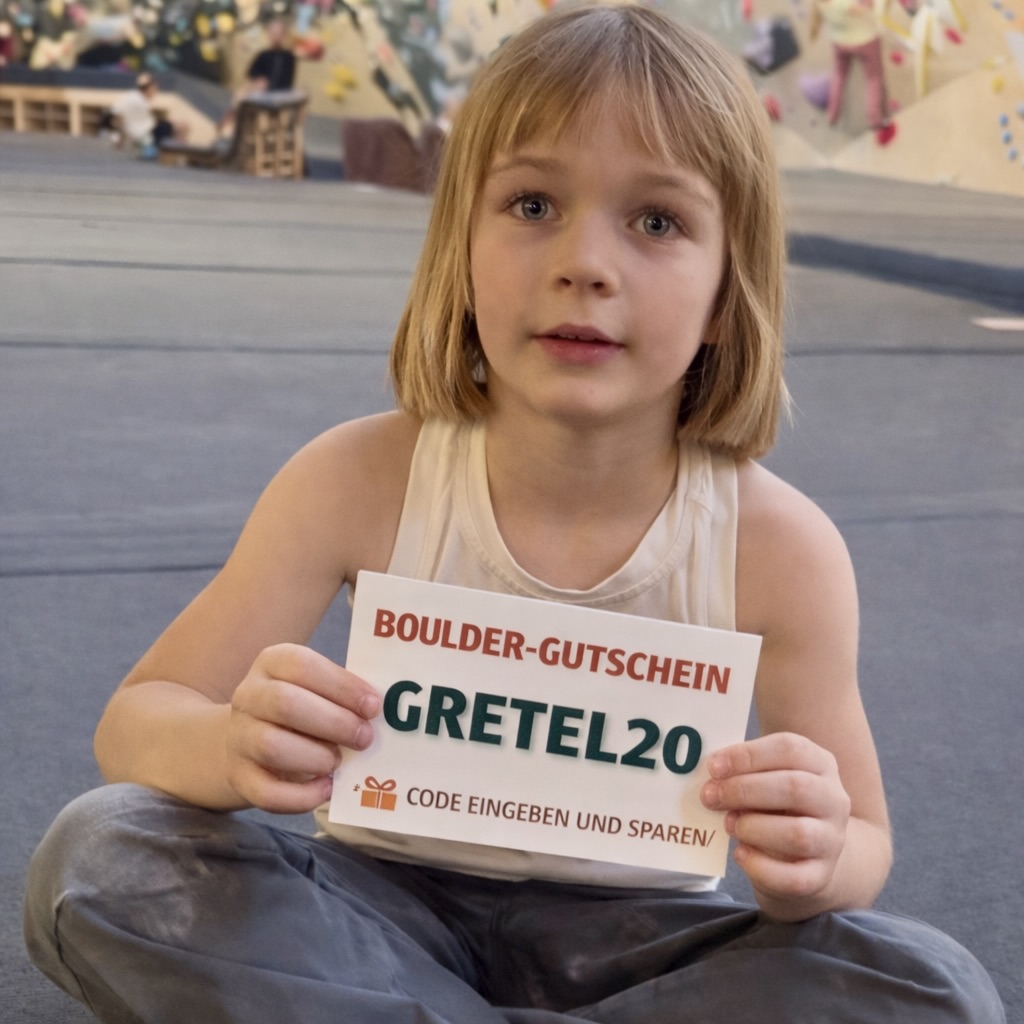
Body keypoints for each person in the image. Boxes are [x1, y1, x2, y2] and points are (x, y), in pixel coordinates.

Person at [23, 5, 1004, 1022]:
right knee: (104, 853)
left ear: (726, 290)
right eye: (533, 204)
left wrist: (814, 853)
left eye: (656, 222)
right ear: (460, 247)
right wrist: (230, 743)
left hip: (635, 946)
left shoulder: (779, 547)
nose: (585, 263)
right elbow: (139, 720)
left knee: (931, 986)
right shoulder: (356, 477)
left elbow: (863, 843)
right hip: (372, 916)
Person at [809, 0, 897, 144]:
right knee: (874, 78)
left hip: (840, 42)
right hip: (865, 41)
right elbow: (865, 8)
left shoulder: (819, 3)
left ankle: (832, 113)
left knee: (838, 76)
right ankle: (875, 119)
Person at [109, 72, 186, 156]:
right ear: (149, 88)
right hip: (145, 134)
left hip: (147, 131)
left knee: (177, 125)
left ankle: (176, 153)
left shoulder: (141, 100)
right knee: (180, 126)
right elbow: (116, 116)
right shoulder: (133, 98)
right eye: (155, 89)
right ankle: (177, 154)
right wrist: (119, 138)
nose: (155, 92)